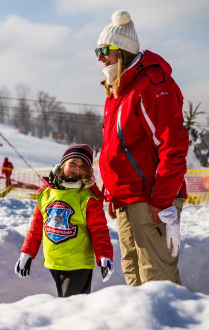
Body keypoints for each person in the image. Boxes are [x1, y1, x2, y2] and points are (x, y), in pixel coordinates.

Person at [95, 10, 189, 286]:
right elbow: (118, 148)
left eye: (105, 50)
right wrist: (112, 192)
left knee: (156, 279)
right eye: (97, 50)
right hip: (127, 198)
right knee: (134, 278)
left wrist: (163, 200)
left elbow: (173, 145)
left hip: (151, 200)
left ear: (122, 51)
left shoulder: (151, 83)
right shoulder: (117, 90)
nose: (99, 57)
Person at [15, 145, 114, 297]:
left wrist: (104, 256)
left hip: (77, 264)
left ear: (88, 171)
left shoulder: (88, 198)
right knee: (65, 307)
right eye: (73, 163)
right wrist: (27, 253)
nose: (77, 168)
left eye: (83, 166)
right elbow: (36, 227)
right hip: (54, 262)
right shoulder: (45, 193)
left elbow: (99, 230)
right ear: (63, 164)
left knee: (72, 309)